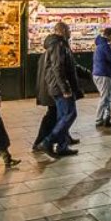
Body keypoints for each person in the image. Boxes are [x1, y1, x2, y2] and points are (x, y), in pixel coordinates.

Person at [33, 22, 81, 158]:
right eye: (69, 29)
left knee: (61, 116)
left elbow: (69, 66)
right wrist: (65, 88)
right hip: (59, 88)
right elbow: (57, 67)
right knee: (69, 114)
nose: (71, 32)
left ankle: (62, 146)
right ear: (63, 31)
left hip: (57, 86)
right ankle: (47, 142)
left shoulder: (60, 44)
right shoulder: (58, 45)